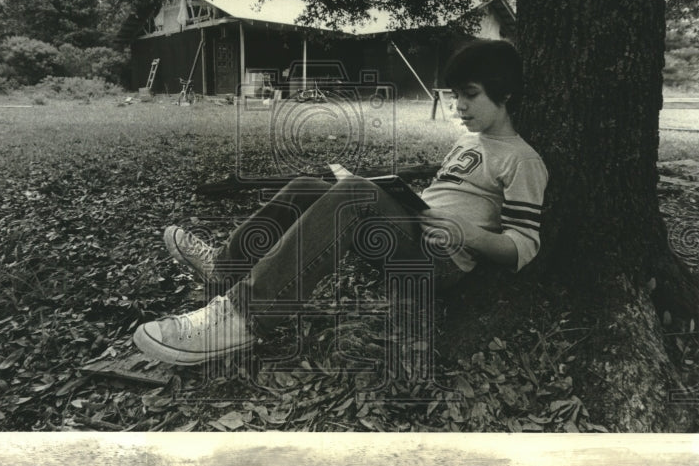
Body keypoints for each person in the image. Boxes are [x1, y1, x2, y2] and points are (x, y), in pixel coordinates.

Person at [134, 39, 548, 365]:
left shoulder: (523, 160)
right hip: (413, 231)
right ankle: (226, 268)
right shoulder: (466, 141)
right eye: (456, 95)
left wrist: (465, 233)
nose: (459, 106)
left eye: (470, 95)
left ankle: (243, 316)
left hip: (442, 261)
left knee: (356, 192)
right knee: (313, 182)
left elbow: (523, 248)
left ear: (504, 93)